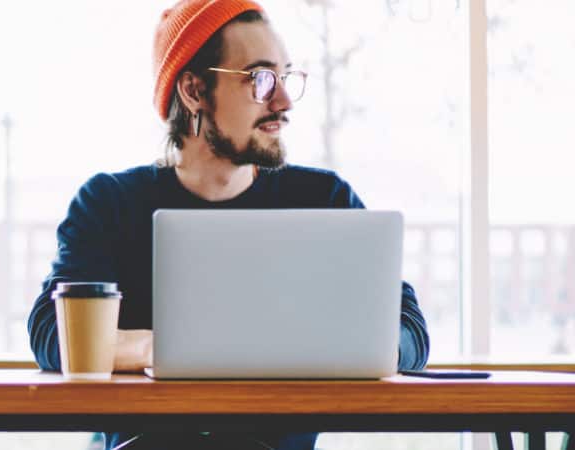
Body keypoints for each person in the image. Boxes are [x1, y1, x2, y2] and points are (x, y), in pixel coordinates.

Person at [25, 1, 431, 448]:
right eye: (260, 79)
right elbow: (51, 332)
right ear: (194, 91)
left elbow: (409, 328)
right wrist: (154, 350)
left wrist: (358, 349)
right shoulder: (110, 204)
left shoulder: (324, 201)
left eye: (285, 77)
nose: (283, 101)